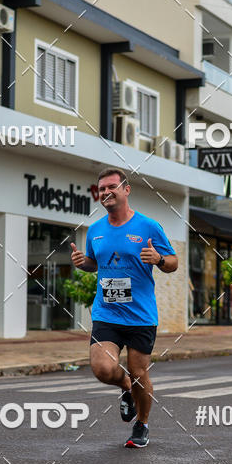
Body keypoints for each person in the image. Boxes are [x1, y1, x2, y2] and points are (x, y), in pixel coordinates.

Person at [70, 167, 178, 447]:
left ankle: (141, 424)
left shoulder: (148, 226)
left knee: (140, 372)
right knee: (102, 368)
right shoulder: (95, 231)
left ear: (126, 189)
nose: (105, 192)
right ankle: (125, 387)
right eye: (101, 189)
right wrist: (85, 264)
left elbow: (173, 262)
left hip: (140, 315)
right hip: (107, 311)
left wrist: (158, 259)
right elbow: (97, 264)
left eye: (111, 187)